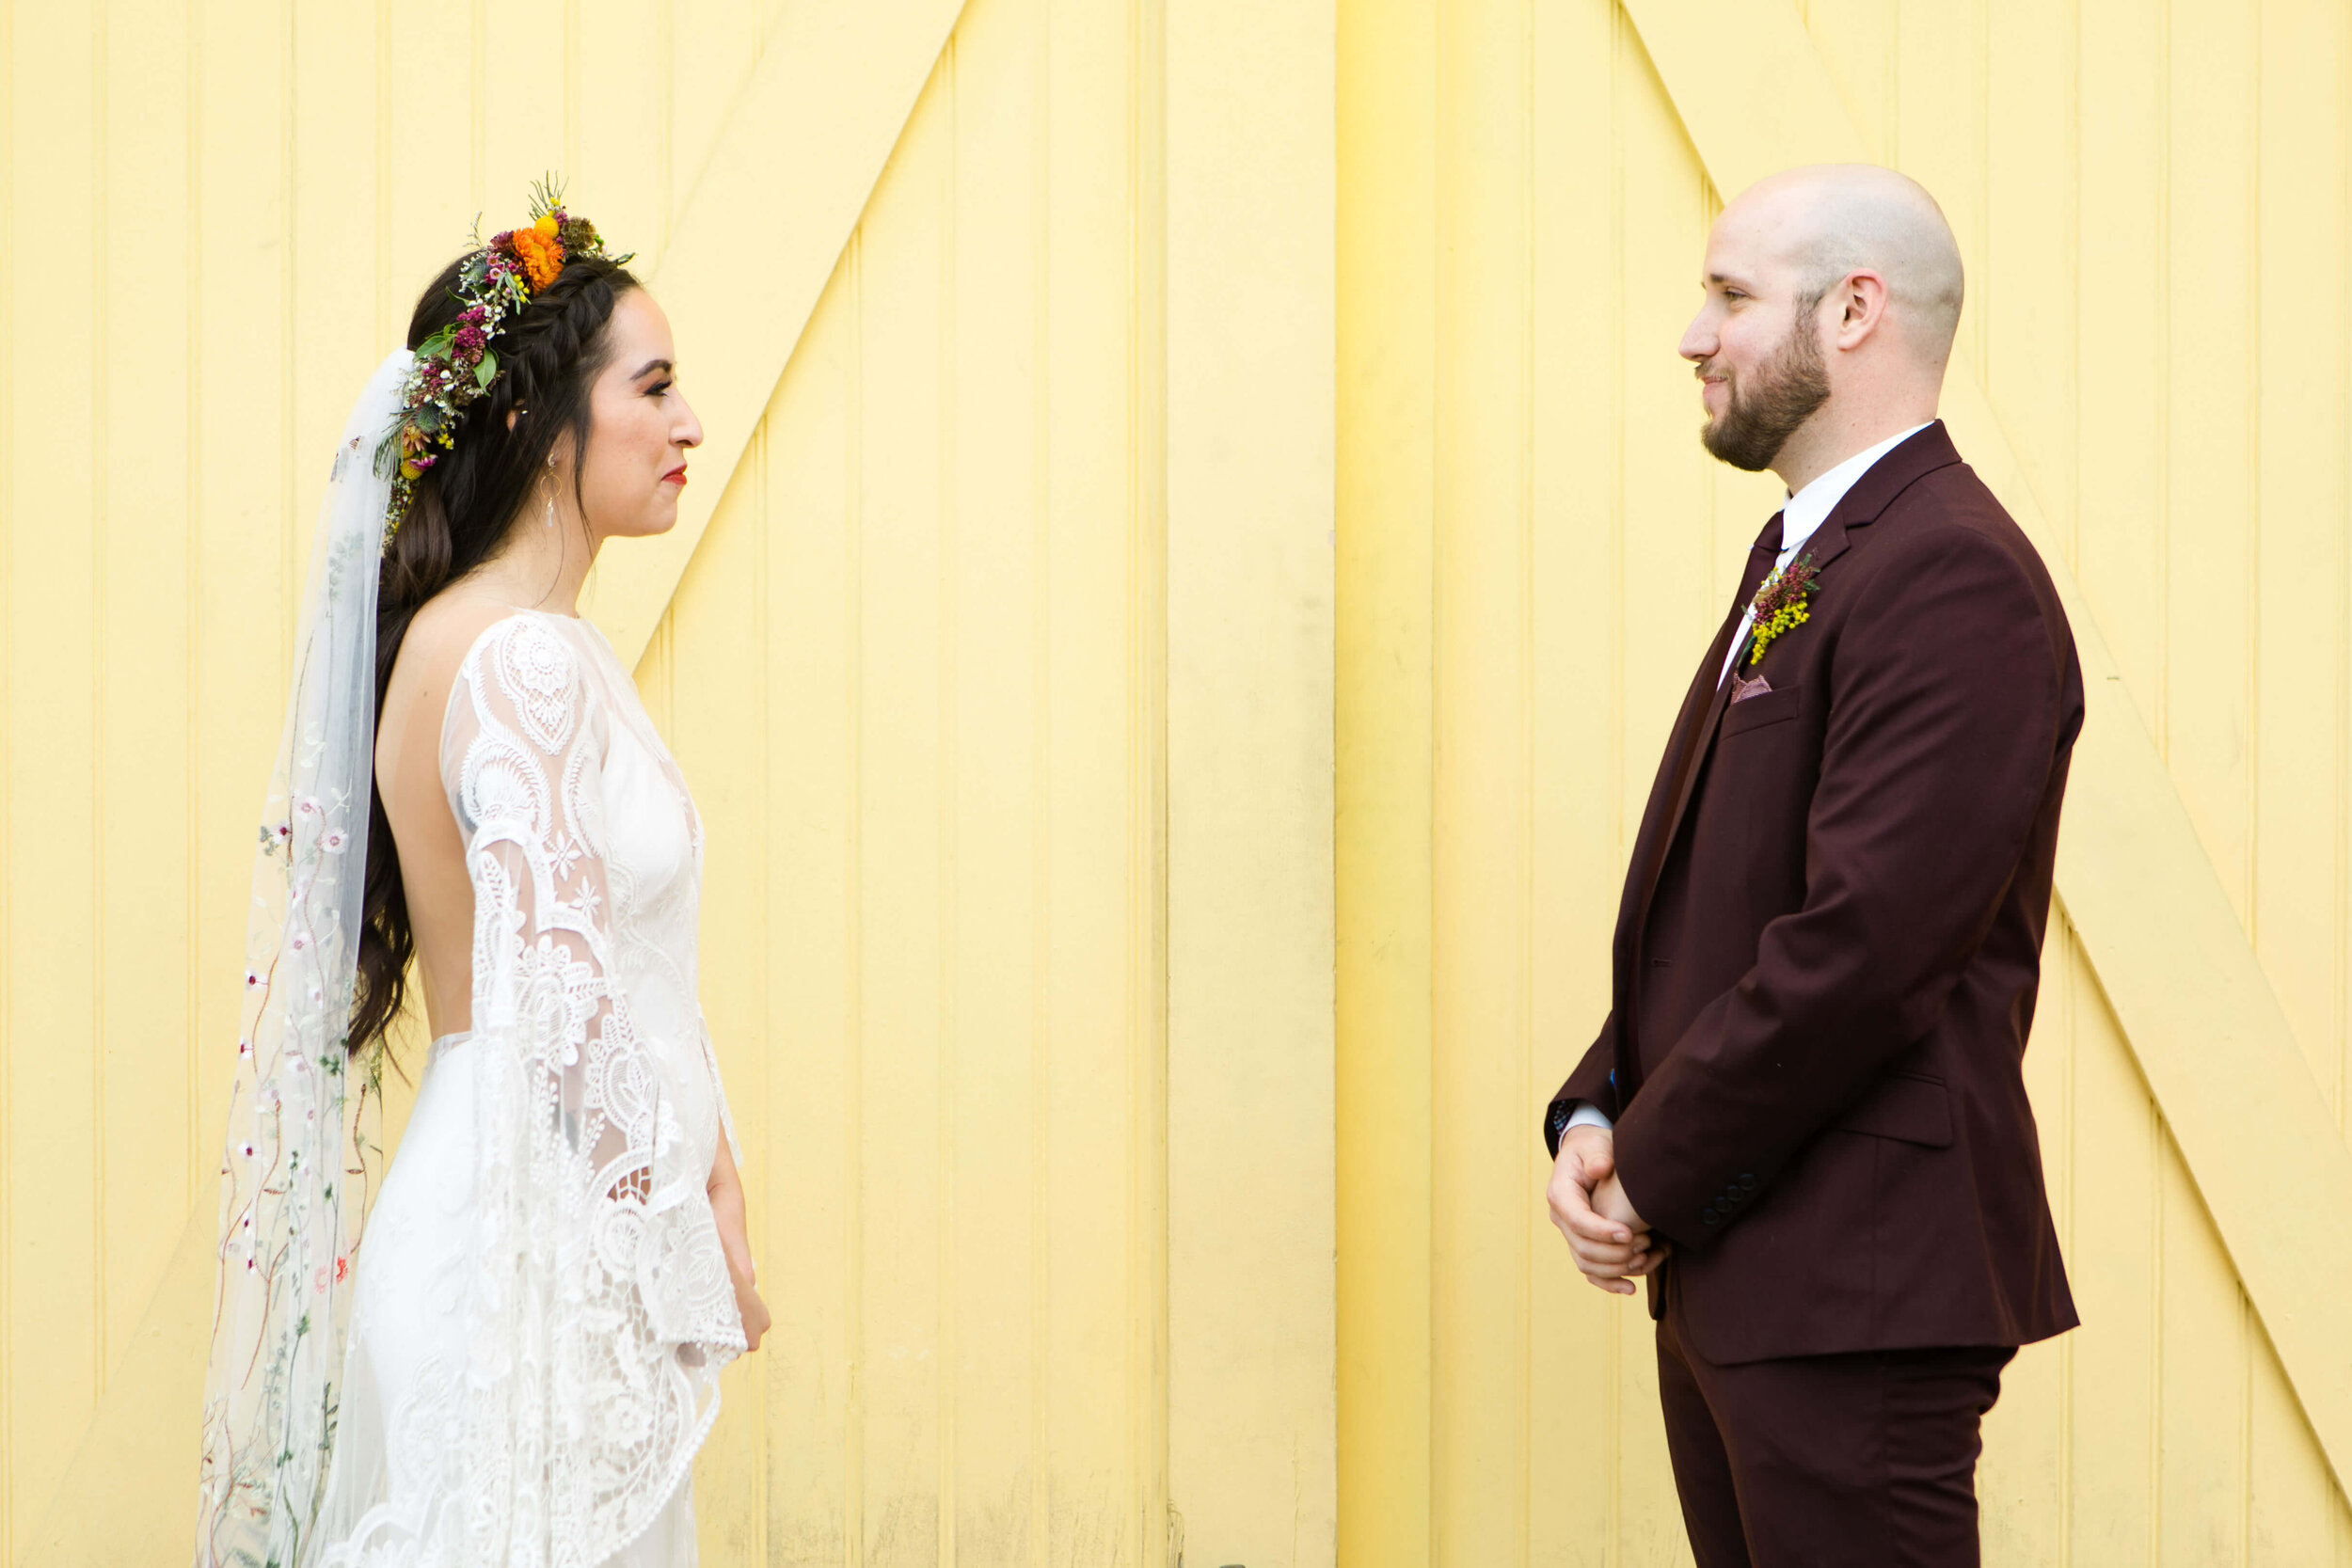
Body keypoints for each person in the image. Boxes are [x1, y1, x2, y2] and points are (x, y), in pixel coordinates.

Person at [195, 185, 771, 1568]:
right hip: (520, 1257)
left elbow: (620, 973)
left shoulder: (501, 643)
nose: (692, 425)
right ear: (535, 423)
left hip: (536, 1219)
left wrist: (718, 1177)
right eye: (656, 387)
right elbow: (562, 1002)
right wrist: (694, 1246)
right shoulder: (515, 659)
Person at [1542, 165, 2080, 1566]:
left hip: (1858, 1279)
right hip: (1759, 1270)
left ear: (1855, 311)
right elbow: (1722, 907)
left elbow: (1865, 950)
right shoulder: (1812, 559)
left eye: (1729, 297)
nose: (1693, 337)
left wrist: (1652, 1173)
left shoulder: (1950, 574)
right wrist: (1595, 1112)